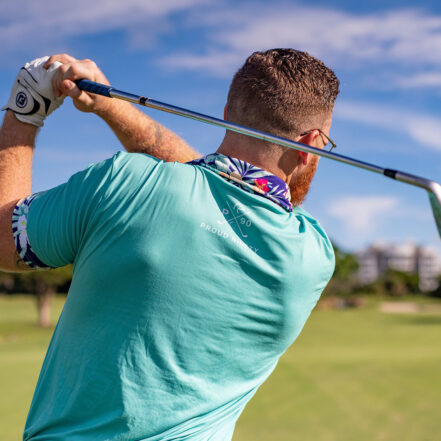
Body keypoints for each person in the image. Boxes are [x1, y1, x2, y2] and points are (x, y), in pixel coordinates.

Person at [0, 49, 339, 440]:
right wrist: (113, 107)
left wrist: (25, 110)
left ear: (227, 112)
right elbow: (224, 188)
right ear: (310, 143)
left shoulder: (123, 182)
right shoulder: (312, 255)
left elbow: (2, 240)